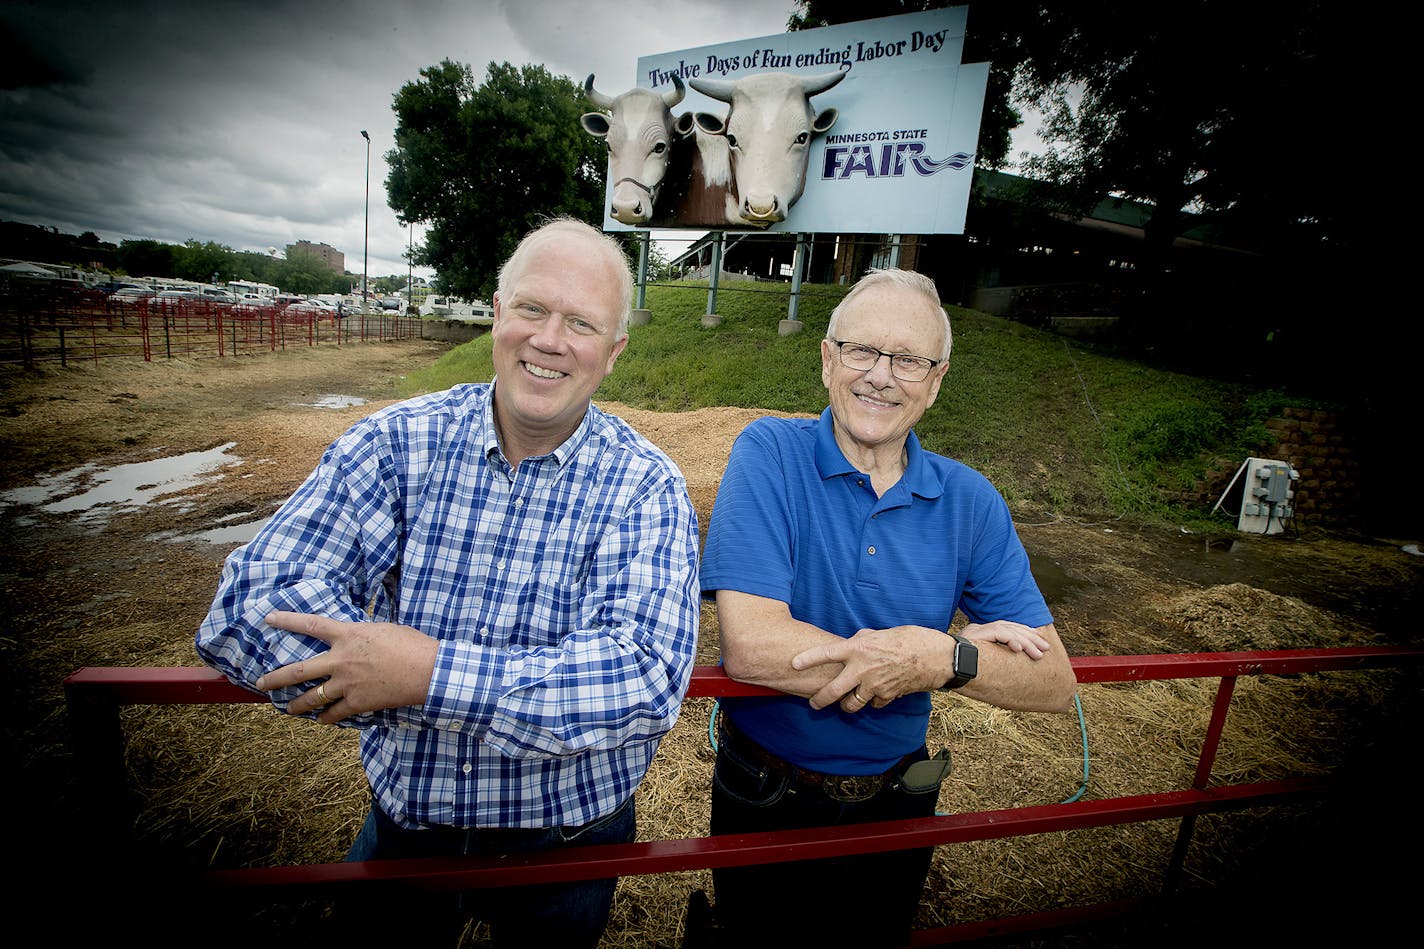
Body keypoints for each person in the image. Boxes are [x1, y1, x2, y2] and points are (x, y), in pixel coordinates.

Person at [195, 217, 700, 947]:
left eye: (581, 322)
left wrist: (420, 677)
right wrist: (368, 673)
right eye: (531, 308)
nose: (549, 339)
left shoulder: (644, 485)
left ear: (614, 352)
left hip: (567, 839)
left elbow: (644, 676)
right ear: (497, 314)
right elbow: (248, 605)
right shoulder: (395, 442)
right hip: (407, 830)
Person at [697, 268, 1078, 947]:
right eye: (861, 351)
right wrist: (919, 659)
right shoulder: (770, 452)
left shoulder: (971, 501)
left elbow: (1053, 681)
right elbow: (753, 643)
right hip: (766, 791)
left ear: (935, 381)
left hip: (901, 805)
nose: (880, 375)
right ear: (826, 359)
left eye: (907, 360)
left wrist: (940, 656)